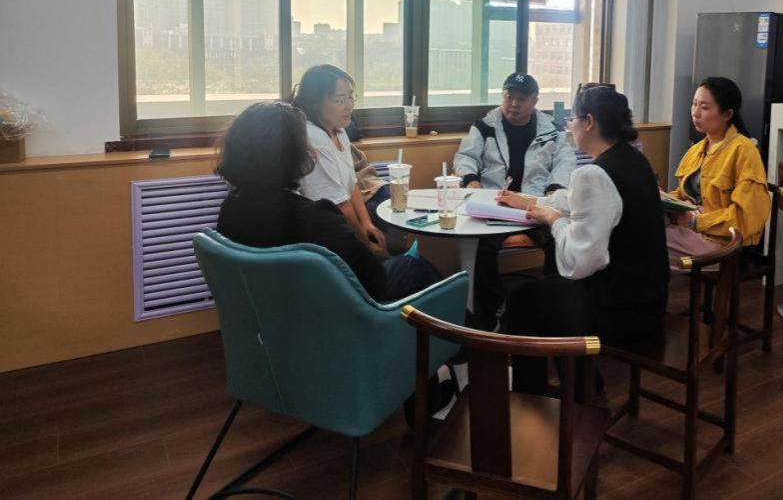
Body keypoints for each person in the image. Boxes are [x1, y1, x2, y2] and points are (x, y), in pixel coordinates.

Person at [498, 86, 669, 398]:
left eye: (572, 120)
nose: (570, 127)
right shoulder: (633, 159)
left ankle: (534, 397)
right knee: (548, 289)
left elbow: (578, 263)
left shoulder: (593, 174)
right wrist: (527, 202)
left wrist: (554, 220)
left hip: (621, 311)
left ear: (589, 122)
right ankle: (583, 385)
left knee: (524, 299)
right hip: (649, 299)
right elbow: (577, 201)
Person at [215, 101, 441, 302]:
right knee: (415, 266)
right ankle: (454, 333)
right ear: (293, 154)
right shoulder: (316, 218)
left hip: (275, 314)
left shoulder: (231, 208)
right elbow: (374, 281)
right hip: (333, 314)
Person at [453, 72, 576, 329]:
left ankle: (551, 304)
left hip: (535, 205)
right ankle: (490, 311)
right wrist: (473, 183)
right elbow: (465, 157)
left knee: (559, 239)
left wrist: (553, 191)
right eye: (509, 97)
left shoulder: (551, 130)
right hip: (495, 205)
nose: (513, 104)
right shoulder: (485, 126)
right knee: (482, 247)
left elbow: (565, 162)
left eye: (521, 99)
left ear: (535, 101)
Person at [666, 77, 770, 266]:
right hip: (692, 233)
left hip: (723, 245)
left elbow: (747, 218)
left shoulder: (744, 151)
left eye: (705, 108)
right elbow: (682, 196)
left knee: (646, 238)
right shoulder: (696, 150)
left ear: (727, 114)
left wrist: (695, 221)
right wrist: (666, 202)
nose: (695, 113)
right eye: (694, 104)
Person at [291, 64, 387, 250]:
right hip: (321, 233)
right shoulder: (314, 137)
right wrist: (366, 246)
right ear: (315, 103)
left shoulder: (339, 131)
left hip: (338, 222)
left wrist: (366, 223)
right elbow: (339, 204)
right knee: (404, 258)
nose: (349, 105)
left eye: (350, 97)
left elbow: (351, 184)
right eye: (340, 100)